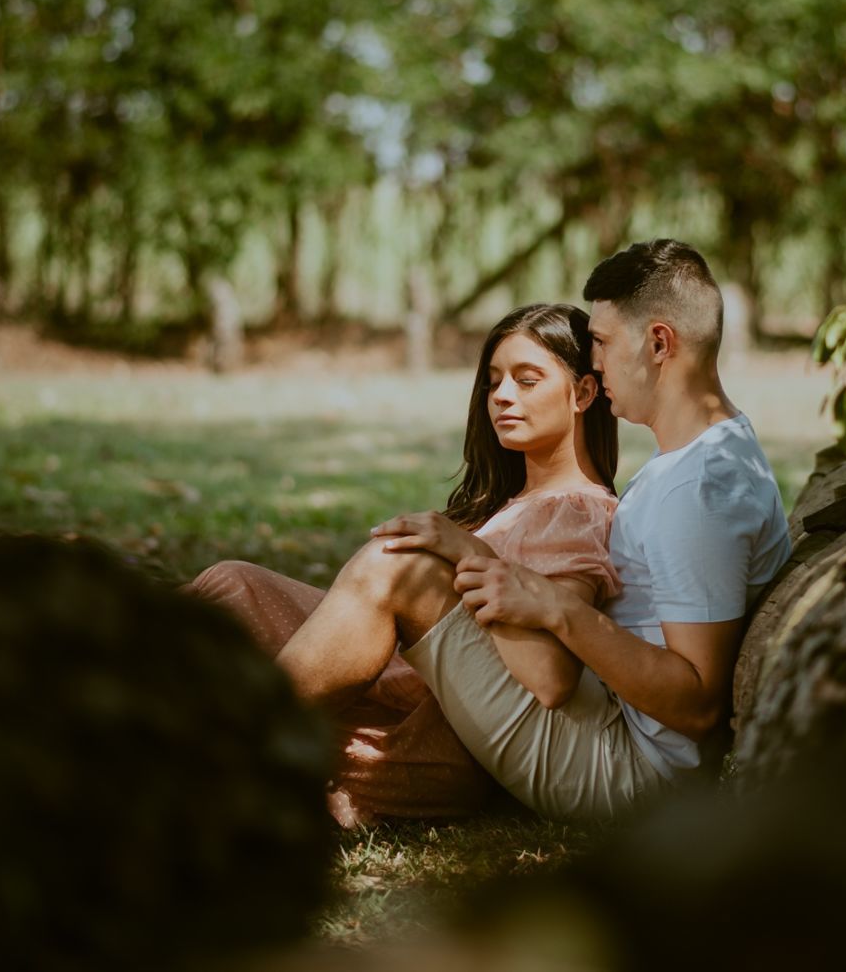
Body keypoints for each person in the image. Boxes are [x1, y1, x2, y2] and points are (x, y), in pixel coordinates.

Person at [286, 239, 792, 821]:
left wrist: (557, 608)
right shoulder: (706, 456)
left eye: (602, 342)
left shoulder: (698, 491)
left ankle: (237, 744)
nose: (594, 362)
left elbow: (697, 706)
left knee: (395, 567)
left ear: (659, 343)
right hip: (608, 722)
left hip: (628, 769)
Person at [185, 303, 621, 826]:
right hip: (396, 686)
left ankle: (219, 749)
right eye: (494, 382)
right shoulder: (508, 503)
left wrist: (470, 558)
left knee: (390, 566)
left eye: (527, 381)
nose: (502, 396)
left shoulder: (578, 511)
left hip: (441, 735)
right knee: (234, 584)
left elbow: (553, 675)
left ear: (584, 393)